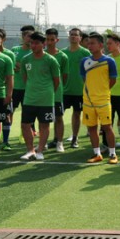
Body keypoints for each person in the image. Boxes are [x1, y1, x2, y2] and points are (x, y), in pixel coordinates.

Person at [18, 32, 61, 161]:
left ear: (44, 44)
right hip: (29, 98)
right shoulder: (26, 59)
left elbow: (56, 81)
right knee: (25, 125)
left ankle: (40, 150)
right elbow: (25, 78)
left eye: (37, 43)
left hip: (46, 99)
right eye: (32, 43)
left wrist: (47, 92)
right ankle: (30, 150)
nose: (33, 45)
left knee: (44, 125)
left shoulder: (51, 60)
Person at [80, 32, 119, 164]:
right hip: (88, 100)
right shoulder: (84, 61)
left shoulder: (109, 61)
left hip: (103, 100)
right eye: (88, 43)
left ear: (101, 45)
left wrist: (103, 90)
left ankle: (113, 154)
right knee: (91, 128)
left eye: (92, 43)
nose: (89, 46)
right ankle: (97, 154)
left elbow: (113, 80)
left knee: (107, 127)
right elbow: (85, 79)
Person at [62, 27, 91, 149]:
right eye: (71, 34)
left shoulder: (85, 53)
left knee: (76, 114)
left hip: (79, 90)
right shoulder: (62, 53)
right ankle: (57, 139)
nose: (73, 36)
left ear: (80, 38)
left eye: (76, 35)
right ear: (68, 37)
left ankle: (75, 137)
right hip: (64, 90)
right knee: (58, 115)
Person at [45, 28, 69, 153]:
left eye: (52, 39)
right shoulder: (40, 54)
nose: (49, 42)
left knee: (58, 118)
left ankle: (59, 142)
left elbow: (64, 76)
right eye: (47, 39)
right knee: (44, 120)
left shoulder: (62, 56)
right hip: (43, 94)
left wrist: (58, 88)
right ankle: (44, 142)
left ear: (57, 40)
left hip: (57, 93)